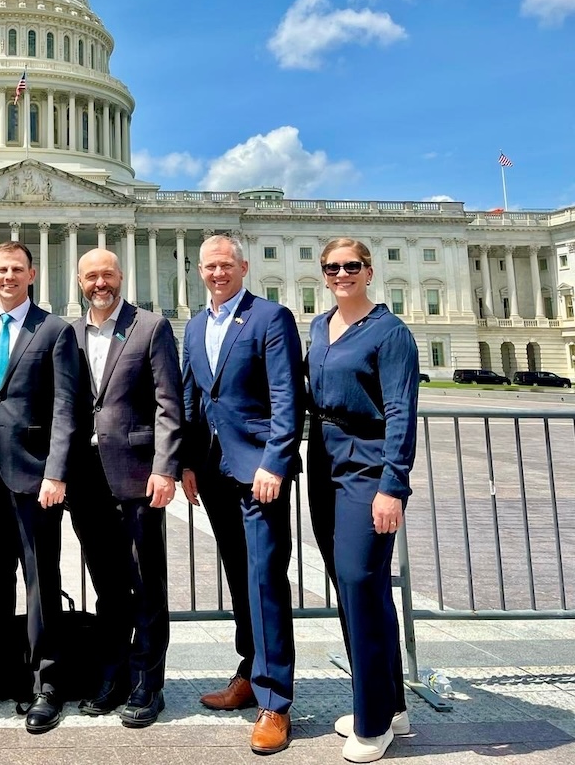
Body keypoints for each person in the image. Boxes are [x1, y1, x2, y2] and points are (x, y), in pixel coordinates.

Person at [180, 233, 304, 755]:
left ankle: (275, 701)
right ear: (199, 271)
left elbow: (288, 397)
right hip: (213, 470)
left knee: (264, 578)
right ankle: (250, 672)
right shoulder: (194, 325)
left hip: (259, 472)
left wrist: (275, 461)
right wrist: (187, 462)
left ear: (243, 266)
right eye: (210, 266)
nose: (218, 272)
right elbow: (192, 396)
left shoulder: (270, 318)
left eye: (226, 264)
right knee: (239, 574)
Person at [0, 241, 82, 734]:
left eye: (17, 269)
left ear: (32, 274)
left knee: (41, 581)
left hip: (35, 477)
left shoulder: (54, 329)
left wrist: (57, 471)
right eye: (1, 269)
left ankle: (46, 683)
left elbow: (67, 407)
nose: (8, 276)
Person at [307, 238, 418, 764]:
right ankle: (389, 704)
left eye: (352, 266)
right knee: (357, 589)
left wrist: (392, 486)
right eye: (332, 267)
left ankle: (373, 724)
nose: (342, 274)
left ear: (369, 271)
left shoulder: (391, 332)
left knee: (358, 581)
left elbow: (400, 411)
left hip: (367, 464)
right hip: (323, 461)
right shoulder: (318, 326)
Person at [67, 248, 183, 728]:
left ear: (121, 276)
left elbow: (168, 403)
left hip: (137, 472)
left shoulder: (150, 327)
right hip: (86, 477)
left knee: (146, 582)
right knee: (107, 584)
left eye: (108, 275)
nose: (100, 283)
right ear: (79, 282)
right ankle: (113, 676)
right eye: (91, 276)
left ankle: (147, 682)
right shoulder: (70, 333)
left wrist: (165, 467)